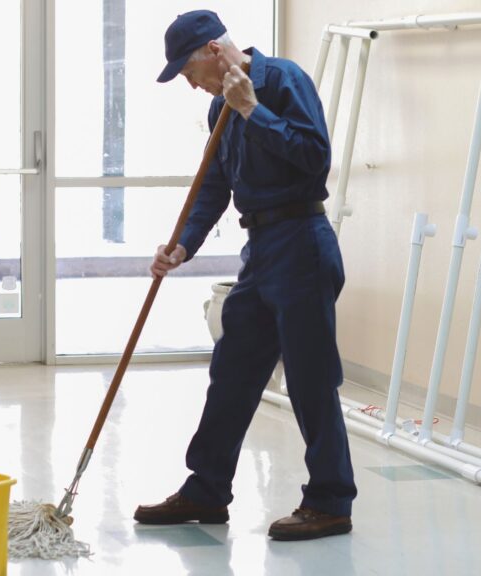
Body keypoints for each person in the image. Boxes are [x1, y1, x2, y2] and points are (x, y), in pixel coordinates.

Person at [134, 10, 356, 541]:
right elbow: (213, 185)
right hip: (261, 251)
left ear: (214, 51)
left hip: (302, 241)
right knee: (231, 369)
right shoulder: (218, 108)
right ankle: (206, 489)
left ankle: (330, 501)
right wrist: (181, 244)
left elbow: (314, 158)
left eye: (188, 72)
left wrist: (252, 110)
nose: (191, 86)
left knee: (310, 378)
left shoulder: (282, 81)